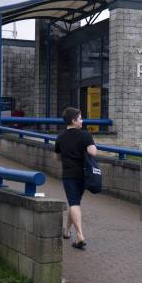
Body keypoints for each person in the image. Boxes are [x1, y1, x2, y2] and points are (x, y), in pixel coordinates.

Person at [54, 107, 97, 250]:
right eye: (80, 118)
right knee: (75, 203)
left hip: (68, 174)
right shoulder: (85, 135)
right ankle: (79, 235)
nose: (82, 120)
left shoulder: (60, 137)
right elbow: (93, 152)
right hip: (83, 174)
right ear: (73, 120)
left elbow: (57, 157)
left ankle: (68, 232)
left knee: (74, 203)